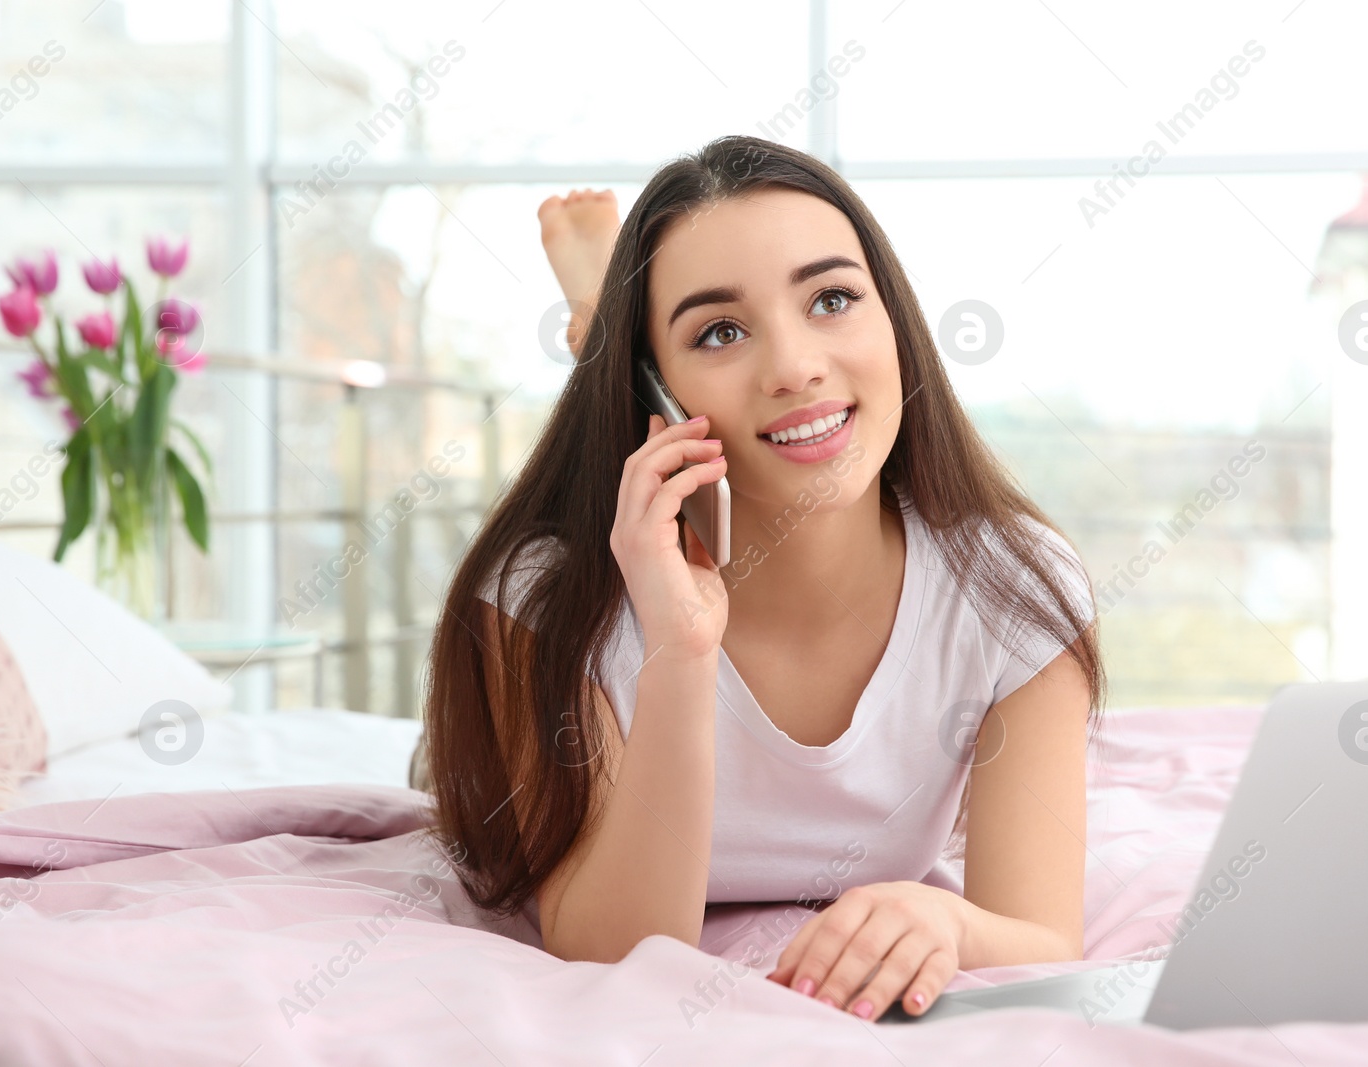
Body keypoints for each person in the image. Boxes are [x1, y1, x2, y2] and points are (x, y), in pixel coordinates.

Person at [416, 135, 1105, 1022]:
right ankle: (602, 324)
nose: (795, 367)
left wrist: (943, 918)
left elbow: (1042, 936)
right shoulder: (543, 601)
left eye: (832, 298)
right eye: (721, 331)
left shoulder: (1012, 589)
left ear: (895, 320)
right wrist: (679, 646)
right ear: (655, 399)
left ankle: (607, 316)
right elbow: (612, 948)